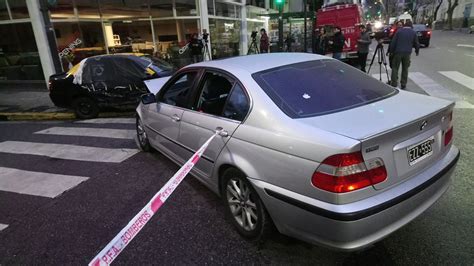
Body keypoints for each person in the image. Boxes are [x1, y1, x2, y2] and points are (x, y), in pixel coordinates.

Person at [388, 20, 420, 89]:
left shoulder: (399, 31)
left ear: (404, 25)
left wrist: (391, 51)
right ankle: (403, 83)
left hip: (398, 52)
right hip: (407, 53)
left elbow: (393, 42)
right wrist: (417, 51)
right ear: (411, 26)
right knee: (405, 68)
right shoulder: (413, 32)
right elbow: (416, 43)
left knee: (395, 67)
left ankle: (394, 83)